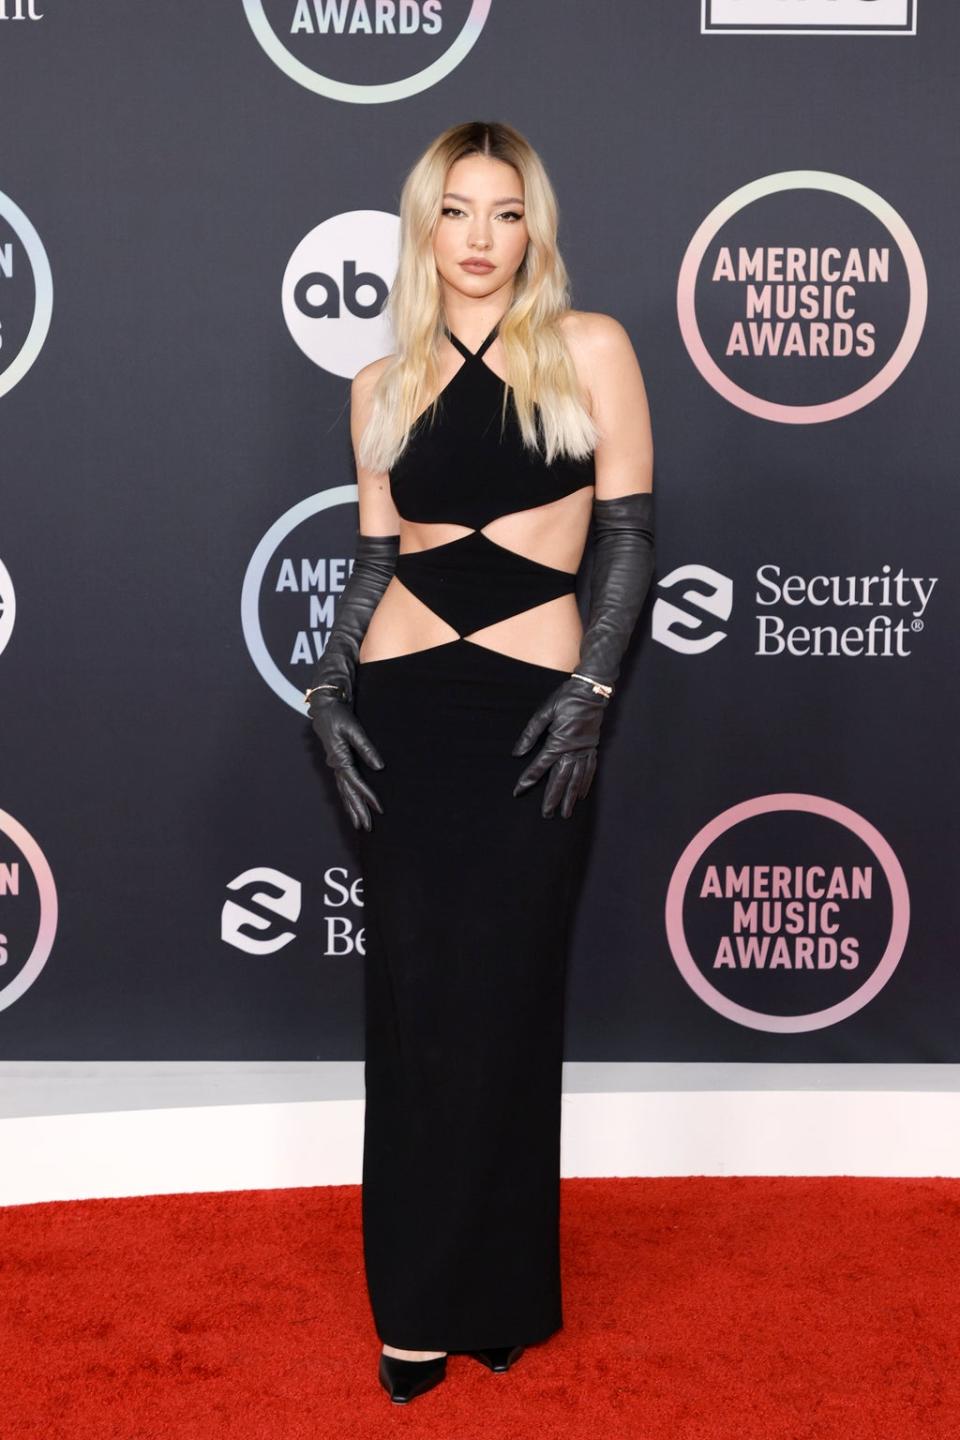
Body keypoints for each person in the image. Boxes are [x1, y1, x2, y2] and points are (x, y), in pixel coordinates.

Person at [305, 119, 655, 1405]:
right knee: (414, 1008)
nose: (480, 238)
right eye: (457, 211)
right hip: (402, 710)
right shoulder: (381, 379)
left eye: (506, 212)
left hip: (530, 707)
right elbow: (376, 555)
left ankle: (500, 1290)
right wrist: (329, 681)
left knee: (507, 999)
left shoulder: (590, 349)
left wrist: (593, 689)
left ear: (534, 227)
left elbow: (625, 537)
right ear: (424, 224)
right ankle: (414, 1302)